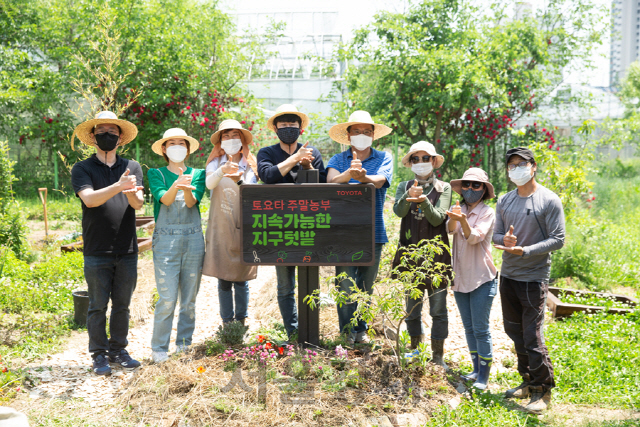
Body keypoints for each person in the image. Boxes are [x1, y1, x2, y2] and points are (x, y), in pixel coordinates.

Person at [71, 111, 144, 375]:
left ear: (120, 137)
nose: (107, 136)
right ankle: (98, 354)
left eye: (112, 132)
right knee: (97, 305)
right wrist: (120, 185)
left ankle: (118, 350)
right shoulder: (83, 168)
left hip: (126, 248)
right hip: (96, 248)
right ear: (92, 137)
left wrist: (132, 192)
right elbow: (90, 199)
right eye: (101, 131)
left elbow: (138, 203)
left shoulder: (132, 166)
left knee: (122, 304)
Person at [493, 147, 565, 414]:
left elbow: (558, 240)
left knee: (532, 337)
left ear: (533, 167)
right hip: (509, 275)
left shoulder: (548, 200)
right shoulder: (505, 200)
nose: (516, 169)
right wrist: (506, 241)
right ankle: (526, 381)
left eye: (521, 164)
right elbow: (496, 235)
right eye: (511, 166)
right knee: (514, 332)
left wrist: (526, 250)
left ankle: (541, 390)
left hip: (534, 278)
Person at [256, 104, 326, 340]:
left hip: (310, 227)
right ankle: (293, 333)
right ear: (275, 129)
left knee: (311, 282)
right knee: (285, 286)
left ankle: (312, 335)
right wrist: (295, 158)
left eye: (292, 126)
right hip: (281, 229)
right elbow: (267, 176)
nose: (288, 129)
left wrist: (307, 166)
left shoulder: (313, 154)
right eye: (283, 126)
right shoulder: (266, 153)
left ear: (301, 129)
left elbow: (323, 186)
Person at [326, 110, 393, 345]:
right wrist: (349, 174)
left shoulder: (384, 157)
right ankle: (346, 333)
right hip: (343, 232)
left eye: (367, 131)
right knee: (345, 284)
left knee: (366, 285)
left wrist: (363, 177)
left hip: (373, 231)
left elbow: (381, 181)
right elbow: (331, 182)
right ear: (348, 135)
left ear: (373, 135)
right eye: (357, 131)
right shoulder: (337, 160)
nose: (362, 135)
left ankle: (361, 330)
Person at [147, 128, 206, 363]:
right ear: (164, 148)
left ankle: (184, 345)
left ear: (188, 148)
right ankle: (159, 348)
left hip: (193, 240)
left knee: (189, 299)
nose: (177, 147)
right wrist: (178, 185)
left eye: (182, 143)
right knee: (167, 298)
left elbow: (192, 203)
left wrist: (188, 189)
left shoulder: (198, 173)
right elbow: (165, 199)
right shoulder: (156, 174)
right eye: (172, 143)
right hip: (166, 241)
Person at [392, 141, 452, 369]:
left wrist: (424, 200)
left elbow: (438, 219)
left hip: (437, 259)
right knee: (412, 308)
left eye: (425, 158)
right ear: (410, 163)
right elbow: (398, 212)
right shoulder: (404, 185)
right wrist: (409, 195)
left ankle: (438, 357)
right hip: (410, 256)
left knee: (438, 309)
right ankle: (414, 351)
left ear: (434, 161)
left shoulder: (443, 188)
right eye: (415, 159)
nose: (420, 163)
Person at [446, 168, 498, 389]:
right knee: (468, 327)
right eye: (466, 185)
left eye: (475, 185)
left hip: (481, 278)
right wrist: (455, 217)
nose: (470, 189)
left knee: (480, 328)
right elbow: (450, 230)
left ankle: (484, 377)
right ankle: (476, 369)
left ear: (484, 189)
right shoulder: (458, 208)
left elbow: (474, 238)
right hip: (460, 276)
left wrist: (463, 220)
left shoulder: (488, 213)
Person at [203, 119, 259, 325]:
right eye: (225, 136)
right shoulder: (214, 163)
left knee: (241, 278)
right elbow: (210, 183)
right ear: (220, 142)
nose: (230, 139)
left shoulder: (249, 164)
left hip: (244, 225)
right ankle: (227, 322)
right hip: (221, 226)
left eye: (235, 135)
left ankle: (241, 321)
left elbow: (251, 193)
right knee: (223, 277)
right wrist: (222, 171)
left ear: (242, 140)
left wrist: (239, 180)